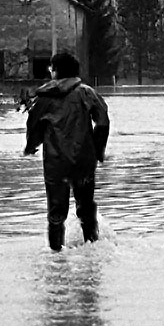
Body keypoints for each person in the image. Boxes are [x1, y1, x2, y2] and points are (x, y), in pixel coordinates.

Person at [24, 52, 110, 250]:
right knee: (87, 209)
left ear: (55, 71)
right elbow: (103, 121)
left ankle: (56, 257)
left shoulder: (44, 98)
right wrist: (98, 150)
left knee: (56, 214)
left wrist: (31, 146)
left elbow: (33, 126)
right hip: (83, 161)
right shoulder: (87, 93)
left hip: (55, 164)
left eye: (51, 68)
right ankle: (92, 249)